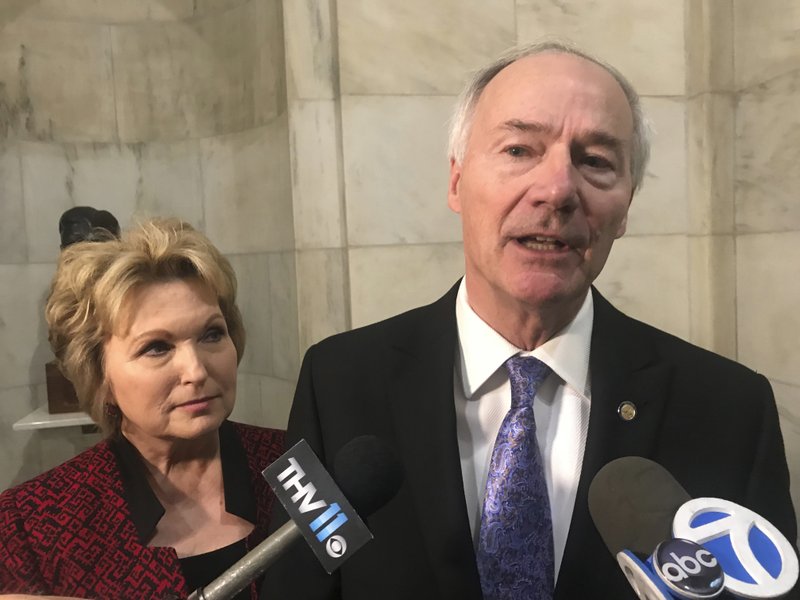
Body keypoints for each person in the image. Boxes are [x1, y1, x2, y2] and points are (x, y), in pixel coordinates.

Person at [261, 41, 798, 599]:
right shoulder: (341, 383)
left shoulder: (729, 409)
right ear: (456, 181)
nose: (558, 189)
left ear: (626, 206)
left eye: (595, 161)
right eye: (520, 149)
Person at [0, 218, 284, 599]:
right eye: (157, 347)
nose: (196, 371)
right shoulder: (30, 525)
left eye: (212, 334)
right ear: (99, 376)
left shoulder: (293, 465)